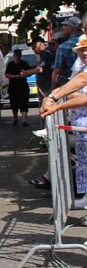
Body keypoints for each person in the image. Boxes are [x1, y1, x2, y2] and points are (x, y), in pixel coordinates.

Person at [38, 34, 87, 199]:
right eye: (82, 50)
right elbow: (80, 80)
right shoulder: (82, 70)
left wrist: (56, 105)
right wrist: (52, 97)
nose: (85, 53)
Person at [52, 15, 82, 88]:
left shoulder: (63, 47)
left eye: (65, 25)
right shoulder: (84, 42)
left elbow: (57, 71)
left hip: (70, 86)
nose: (63, 27)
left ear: (71, 28)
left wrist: (53, 91)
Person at [5, 49, 31, 126]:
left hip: (23, 86)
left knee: (24, 103)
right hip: (13, 87)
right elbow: (6, 74)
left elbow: (29, 73)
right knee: (14, 104)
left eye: (19, 55)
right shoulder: (10, 64)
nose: (17, 57)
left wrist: (25, 74)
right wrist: (15, 76)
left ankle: (24, 120)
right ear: (14, 56)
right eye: (16, 55)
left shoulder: (24, 64)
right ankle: (15, 118)